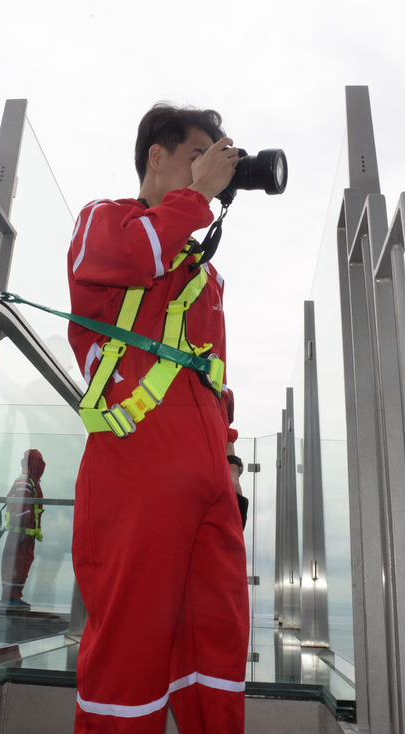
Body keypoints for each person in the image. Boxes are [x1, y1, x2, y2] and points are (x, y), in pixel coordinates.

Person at [66, 103, 249, 732]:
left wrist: (226, 461)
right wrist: (198, 198)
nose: (214, 169)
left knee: (217, 651)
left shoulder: (203, 273)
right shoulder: (106, 222)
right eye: (201, 154)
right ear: (157, 156)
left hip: (208, 483)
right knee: (129, 657)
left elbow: (214, 377)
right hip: (134, 470)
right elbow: (131, 256)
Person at [0, 448, 46, 612]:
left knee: (20, 565)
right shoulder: (25, 482)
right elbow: (23, 505)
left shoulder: (29, 481)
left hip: (25, 534)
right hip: (21, 534)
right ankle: (9, 597)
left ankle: (13, 596)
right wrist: (24, 529)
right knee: (16, 564)